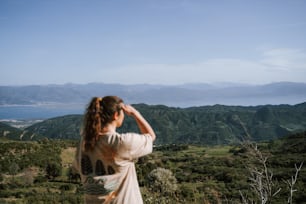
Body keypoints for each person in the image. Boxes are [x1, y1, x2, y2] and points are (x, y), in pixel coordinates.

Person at [73, 96, 156, 204]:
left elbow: (78, 168)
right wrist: (135, 113)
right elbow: (151, 136)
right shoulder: (121, 142)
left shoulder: (83, 144)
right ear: (115, 115)